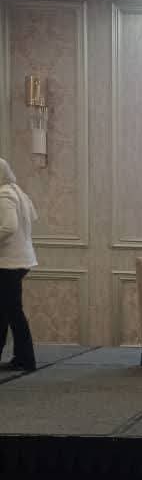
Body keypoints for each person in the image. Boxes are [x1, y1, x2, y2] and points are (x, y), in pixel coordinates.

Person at [0, 158, 38, 373]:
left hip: (8, 262)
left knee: (11, 312)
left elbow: (8, 227)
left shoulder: (4, 195)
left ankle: (26, 359)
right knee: (8, 311)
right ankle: (23, 358)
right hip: (21, 260)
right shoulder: (17, 192)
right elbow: (33, 217)